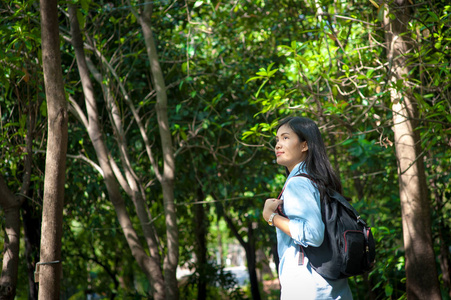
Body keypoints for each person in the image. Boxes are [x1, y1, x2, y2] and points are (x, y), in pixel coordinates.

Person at [263, 116, 353, 300]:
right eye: (277, 139)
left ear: (305, 145)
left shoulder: (299, 183)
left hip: (307, 289)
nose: (278, 145)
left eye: (286, 138)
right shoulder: (319, 180)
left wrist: (270, 217)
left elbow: (312, 234)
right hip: (332, 289)